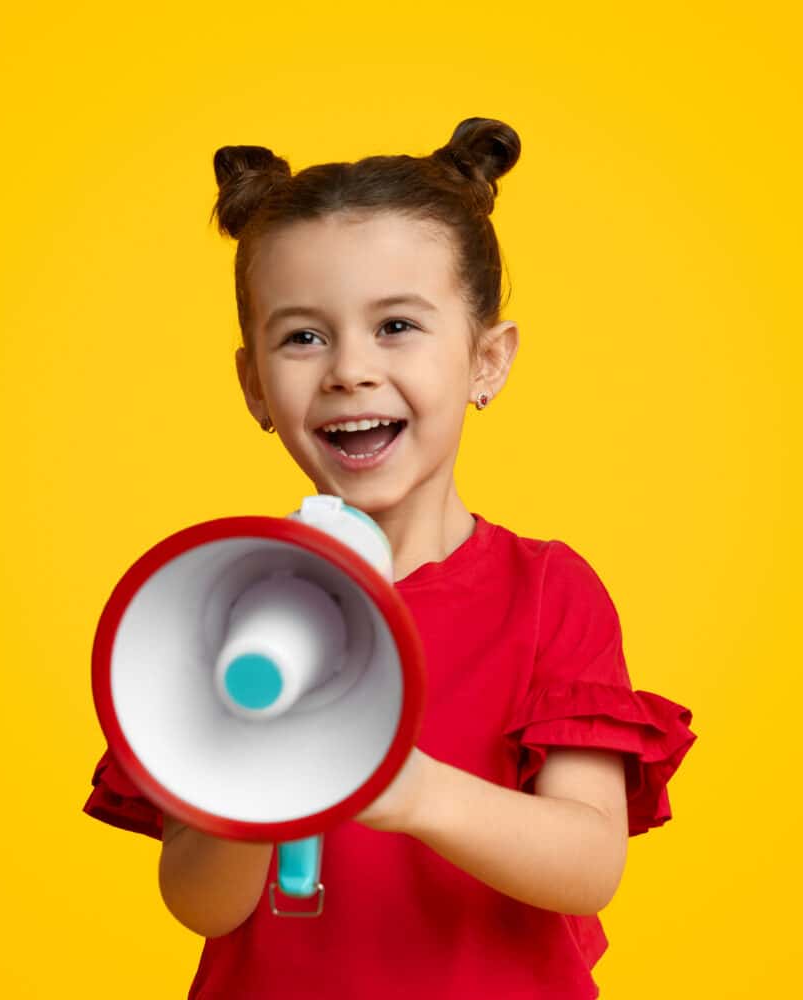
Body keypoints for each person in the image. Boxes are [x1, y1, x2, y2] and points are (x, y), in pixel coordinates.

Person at [83, 116, 697, 999]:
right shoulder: (218, 599)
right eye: (302, 337)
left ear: (487, 360)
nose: (349, 371)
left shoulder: (547, 593)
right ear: (255, 383)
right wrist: (253, 779)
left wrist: (407, 790)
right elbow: (200, 904)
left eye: (397, 325)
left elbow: (589, 863)